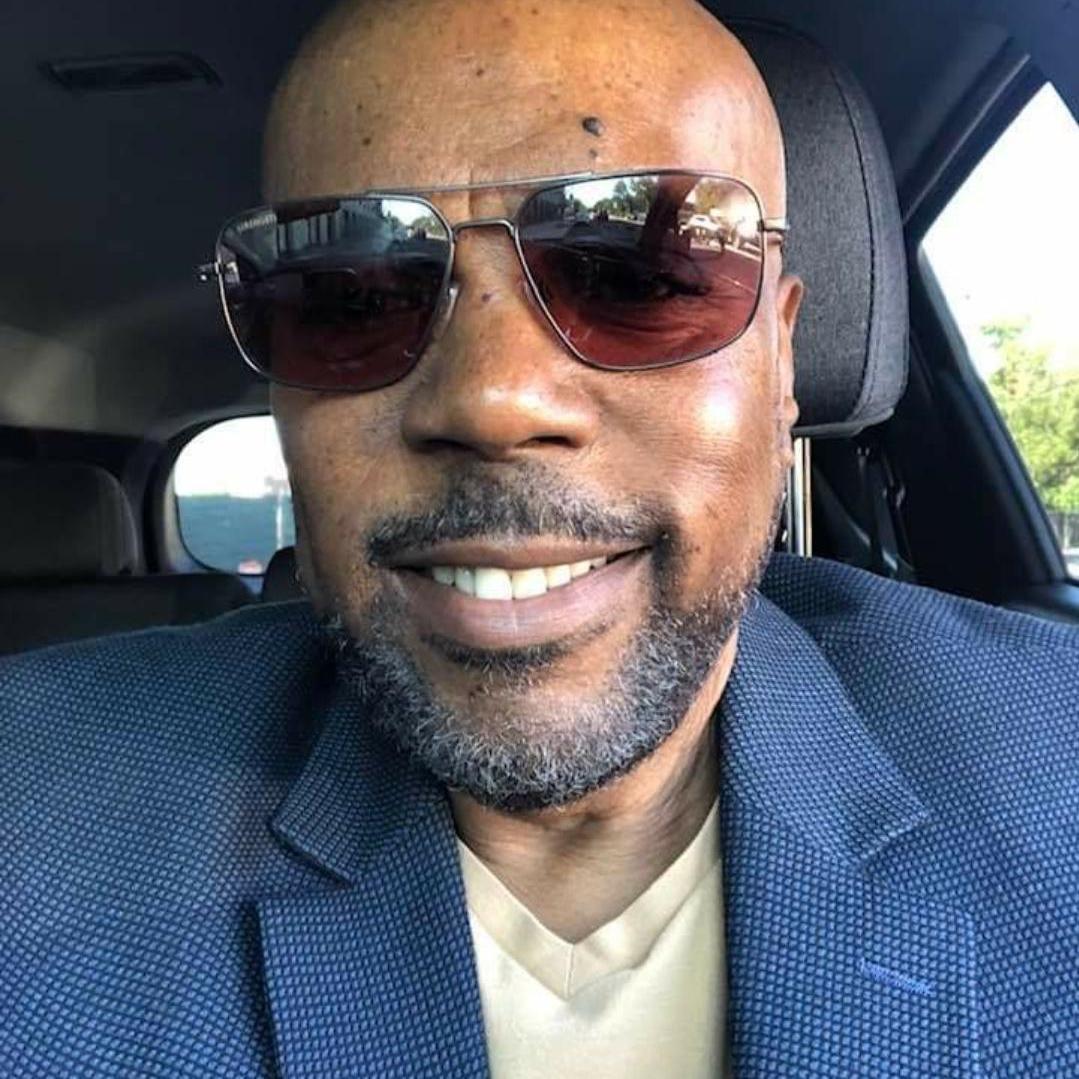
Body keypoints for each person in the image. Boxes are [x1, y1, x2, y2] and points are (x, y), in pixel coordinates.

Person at [2, 0, 1077, 1076]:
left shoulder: (1051, 771)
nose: (492, 400)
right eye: (347, 299)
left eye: (639, 276)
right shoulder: (36, 816)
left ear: (779, 363)